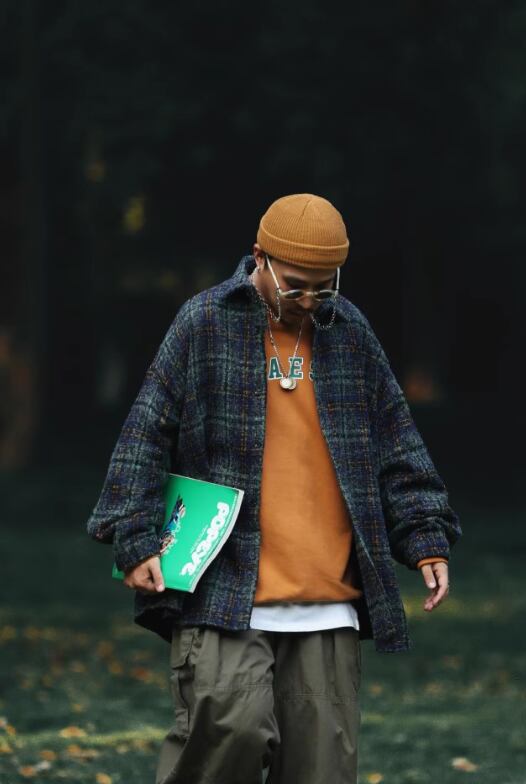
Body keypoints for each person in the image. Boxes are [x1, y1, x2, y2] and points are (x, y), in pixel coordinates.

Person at [87, 193, 462, 784]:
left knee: (321, 771)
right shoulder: (204, 322)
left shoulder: (349, 331)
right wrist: (134, 538)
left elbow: (395, 439)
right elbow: (145, 433)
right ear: (259, 257)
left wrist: (424, 535)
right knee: (227, 737)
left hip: (327, 598)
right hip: (224, 589)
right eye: (295, 286)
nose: (309, 300)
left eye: (323, 287)